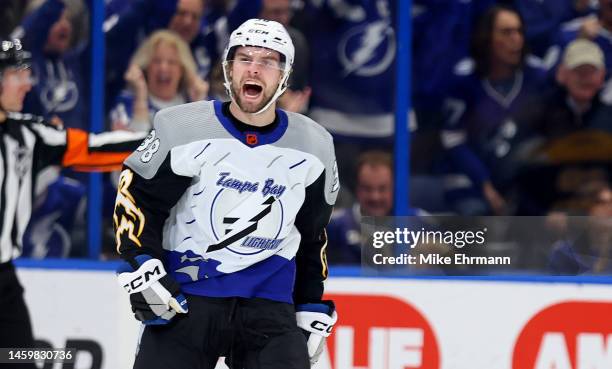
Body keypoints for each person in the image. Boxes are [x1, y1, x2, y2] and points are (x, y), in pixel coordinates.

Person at [114, 19, 339, 369]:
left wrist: (309, 301)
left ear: (284, 75)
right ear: (228, 69)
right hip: (188, 297)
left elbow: (314, 234)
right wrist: (143, 260)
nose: (254, 68)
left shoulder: (315, 145)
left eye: (268, 61)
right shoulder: (183, 128)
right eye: (244, 58)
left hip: (269, 304)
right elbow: (137, 196)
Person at [0, 39, 147, 369]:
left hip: (4, 281)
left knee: (18, 361)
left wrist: (162, 142)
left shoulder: (27, 135)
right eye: (16, 73)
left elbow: (93, 149)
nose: (27, 82)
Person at [441, 5, 550, 215]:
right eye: (506, 32)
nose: (516, 39)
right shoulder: (464, 79)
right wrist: (485, 186)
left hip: (518, 178)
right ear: (487, 38)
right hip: (472, 181)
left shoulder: (536, 75)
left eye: (519, 31)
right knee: (475, 215)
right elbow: (453, 141)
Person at [110, 30, 208, 133]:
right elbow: (133, 144)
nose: (163, 68)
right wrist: (141, 98)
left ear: (182, 70)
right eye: (156, 61)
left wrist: (200, 102)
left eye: (171, 62)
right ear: (146, 67)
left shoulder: (193, 103)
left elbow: (208, 141)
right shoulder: (127, 102)